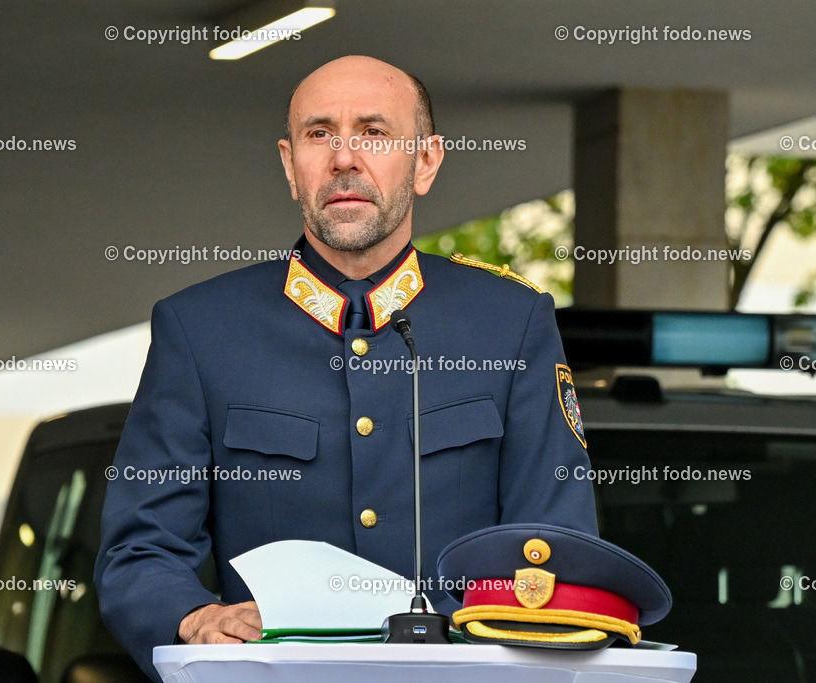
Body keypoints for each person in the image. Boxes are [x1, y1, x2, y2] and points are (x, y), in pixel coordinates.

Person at [94, 55, 597, 679]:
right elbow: (141, 550)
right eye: (319, 134)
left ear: (427, 161)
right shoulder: (201, 329)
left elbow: (555, 543)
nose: (343, 159)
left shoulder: (510, 321)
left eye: (375, 133)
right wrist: (194, 616)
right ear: (289, 165)